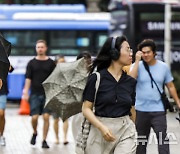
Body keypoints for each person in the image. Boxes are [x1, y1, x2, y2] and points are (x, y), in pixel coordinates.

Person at [82, 36, 137, 154]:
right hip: (99, 129)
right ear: (115, 53)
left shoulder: (130, 82)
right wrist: (101, 127)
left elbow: (132, 109)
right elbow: (86, 109)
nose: (131, 53)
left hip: (125, 129)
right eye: (127, 49)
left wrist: (134, 128)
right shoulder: (96, 78)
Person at [129, 39, 180, 154]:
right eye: (143, 52)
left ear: (154, 53)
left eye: (148, 52)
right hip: (141, 110)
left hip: (158, 111)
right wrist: (137, 61)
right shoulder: (137, 66)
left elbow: (170, 86)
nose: (146, 55)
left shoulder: (163, 67)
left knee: (162, 140)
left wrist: (178, 102)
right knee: (141, 142)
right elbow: (131, 79)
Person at [22, 40, 56, 148]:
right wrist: (26, 92)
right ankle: (35, 132)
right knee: (34, 117)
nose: (40, 49)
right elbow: (28, 78)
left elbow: (55, 78)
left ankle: (44, 140)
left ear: (46, 48)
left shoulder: (51, 63)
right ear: (36, 49)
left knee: (46, 117)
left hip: (47, 94)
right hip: (35, 93)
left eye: (42, 47)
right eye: (38, 47)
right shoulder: (31, 63)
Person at [71, 51, 92, 140]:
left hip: (91, 108)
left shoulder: (94, 74)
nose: (85, 63)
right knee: (77, 132)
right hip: (78, 108)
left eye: (87, 61)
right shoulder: (74, 75)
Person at [52, 54, 69, 145]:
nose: (62, 64)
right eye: (60, 62)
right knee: (55, 120)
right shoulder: (52, 73)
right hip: (55, 99)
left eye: (63, 62)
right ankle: (56, 137)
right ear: (56, 63)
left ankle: (65, 138)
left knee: (65, 119)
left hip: (66, 98)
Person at [0, 65, 14, 146]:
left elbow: (11, 69)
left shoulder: (3, 60)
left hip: (2, 91)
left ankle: (1, 135)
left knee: (1, 114)